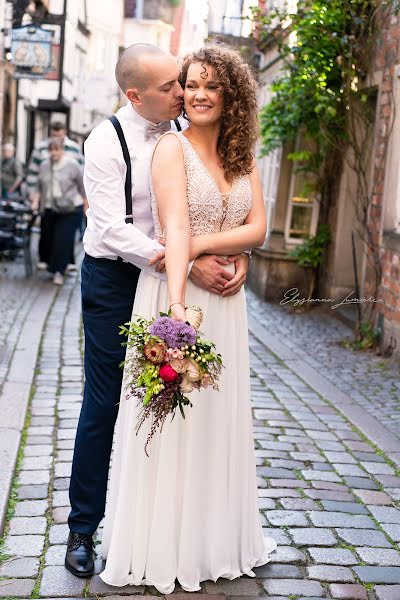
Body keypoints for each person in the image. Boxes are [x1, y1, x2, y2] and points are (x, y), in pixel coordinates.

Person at [65, 43, 250, 578]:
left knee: (172, 394)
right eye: (171, 87)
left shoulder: (183, 131)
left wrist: (227, 253)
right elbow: (107, 227)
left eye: (183, 81)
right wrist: (185, 263)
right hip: (115, 280)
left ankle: (162, 528)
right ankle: (82, 529)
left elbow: (209, 203)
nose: (183, 93)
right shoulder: (105, 140)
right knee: (105, 403)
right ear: (135, 95)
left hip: (171, 276)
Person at [99, 44, 277, 593]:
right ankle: (163, 542)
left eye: (211, 86)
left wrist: (220, 247)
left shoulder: (244, 153)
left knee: (217, 423)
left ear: (231, 96)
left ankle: (214, 538)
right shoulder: (170, 151)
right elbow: (173, 229)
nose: (198, 94)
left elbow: (258, 229)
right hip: (181, 302)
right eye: (191, 84)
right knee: (172, 425)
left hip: (228, 305)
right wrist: (177, 310)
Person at [27, 121, 84, 271]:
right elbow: (33, 173)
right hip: (49, 199)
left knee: (65, 234)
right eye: (54, 134)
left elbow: (81, 175)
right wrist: (34, 196)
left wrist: (83, 201)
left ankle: (64, 263)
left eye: (59, 134)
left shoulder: (74, 149)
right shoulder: (41, 148)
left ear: (64, 132)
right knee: (49, 234)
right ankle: (50, 262)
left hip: (69, 201)